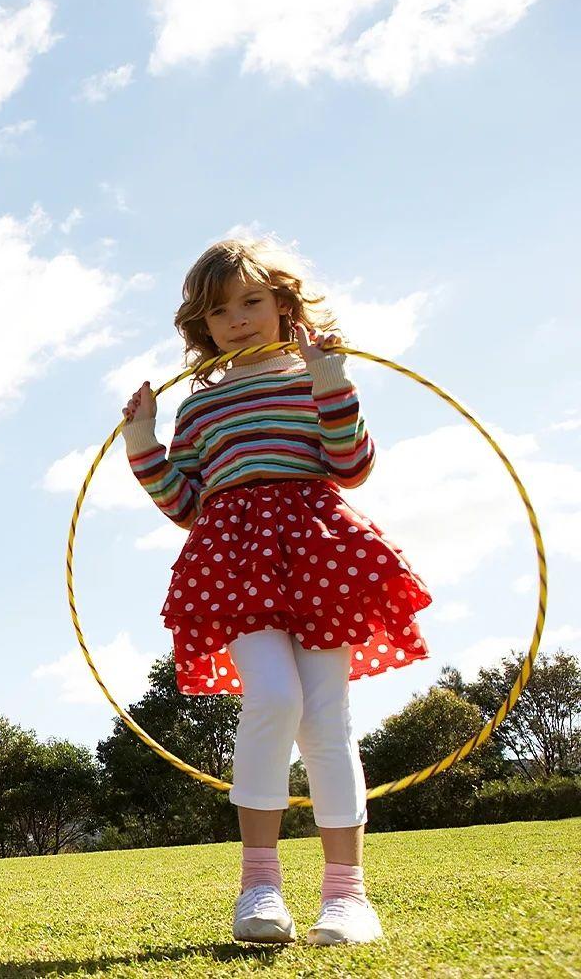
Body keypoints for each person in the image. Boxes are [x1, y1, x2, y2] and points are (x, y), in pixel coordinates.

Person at [122, 237, 431, 946]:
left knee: (326, 718)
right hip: (233, 555)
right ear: (202, 327)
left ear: (284, 305)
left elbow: (351, 465)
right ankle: (258, 888)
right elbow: (185, 503)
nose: (237, 319)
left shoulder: (313, 376)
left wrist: (330, 380)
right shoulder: (199, 407)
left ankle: (346, 897)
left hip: (319, 549)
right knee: (273, 695)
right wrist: (143, 438)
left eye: (252, 302)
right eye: (219, 312)